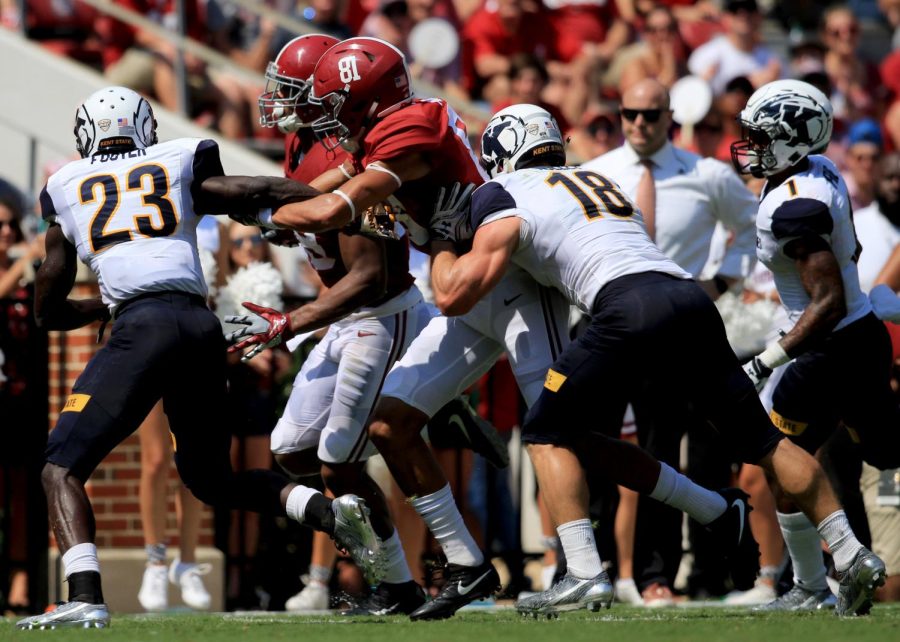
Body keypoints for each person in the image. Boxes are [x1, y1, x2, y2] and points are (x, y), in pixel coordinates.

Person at [429, 101, 884, 617]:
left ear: (500, 152)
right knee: (764, 441)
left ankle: (583, 574)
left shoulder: (503, 191)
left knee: (544, 431)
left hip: (627, 307)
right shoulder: (598, 179)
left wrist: (446, 239)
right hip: (687, 297)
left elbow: (455, 295)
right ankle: (851, 555)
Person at [15, 86, 384, 630]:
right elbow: (253, 188)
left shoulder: (66, 185)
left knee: (59, 467)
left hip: (142, 327)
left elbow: (49, 300)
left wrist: (99, 304)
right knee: (211, 479)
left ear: (87, 134)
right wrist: (339, 207)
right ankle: (330, 513)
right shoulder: (175, 160)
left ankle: (86, 594)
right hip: (198, 324)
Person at [224, 36, 508, 621]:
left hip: (382, 317)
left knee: (339, 462)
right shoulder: (314, 141)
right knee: (291, 451)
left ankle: (400, 579)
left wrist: (290, 315)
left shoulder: (367, 144)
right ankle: (403, 573)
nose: (279, 100)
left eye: (298, 91)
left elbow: (371, 276)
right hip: (350, 322)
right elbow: (313, 202)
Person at [583, 77, 758, 603]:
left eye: (650, 115)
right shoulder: (597, 173)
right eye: (630, 113)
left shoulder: (706, 175)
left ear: (670, 119)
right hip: (602, 323)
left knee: (661, 456)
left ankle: (655, 574)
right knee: (590, 447)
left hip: (673, 329)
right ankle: (592, 571)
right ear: (620, 113)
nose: (639, 124)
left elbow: (753, 227)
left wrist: (722, 280)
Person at [733, 80, 900, 613]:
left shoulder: (793, 206)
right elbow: (846, 261)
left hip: (828, 350)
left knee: (779, 458)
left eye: (761, 136)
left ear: (792, 138)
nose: (751, 146)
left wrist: (767, 360)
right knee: (887, 456)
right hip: (862, 338)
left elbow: (824, 302)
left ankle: (829, 572)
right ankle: (819, 579)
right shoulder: (819, 172)